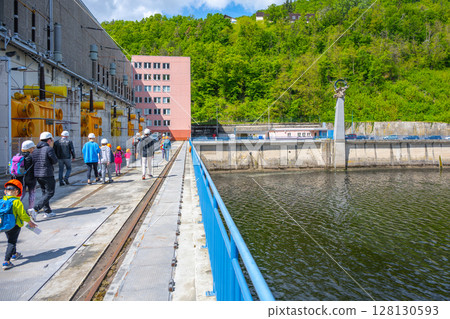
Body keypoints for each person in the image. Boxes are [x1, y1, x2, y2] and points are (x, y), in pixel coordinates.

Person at [1, 180, 37, 270]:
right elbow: (23, 215)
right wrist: (30, 222)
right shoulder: (17, 202)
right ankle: (6, 261)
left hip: (5, 225)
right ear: (17, 192)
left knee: (11, 239)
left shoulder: (2, 201)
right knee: (11, 242)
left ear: (5, 192)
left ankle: (14, 254)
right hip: (15, 225)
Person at [29, 132, 58, 220]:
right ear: (49, 140)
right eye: (51, 140)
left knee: (44, 193)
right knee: (50, 192)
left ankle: (47, 211)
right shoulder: (48, 149)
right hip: (47, 173)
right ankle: (35, 209)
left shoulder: (35, 150)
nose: (51, 142)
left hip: (37, 174)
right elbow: (54, 161)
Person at [12, 140, 37, 211]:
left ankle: (15, 208)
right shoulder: (32, 157)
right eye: (33, 148)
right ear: (30, 149)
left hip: (20, 178)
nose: (33, 149)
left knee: (21, 194)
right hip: (31, 178)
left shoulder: (18, 155)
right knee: (32, 193)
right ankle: (31, 209)